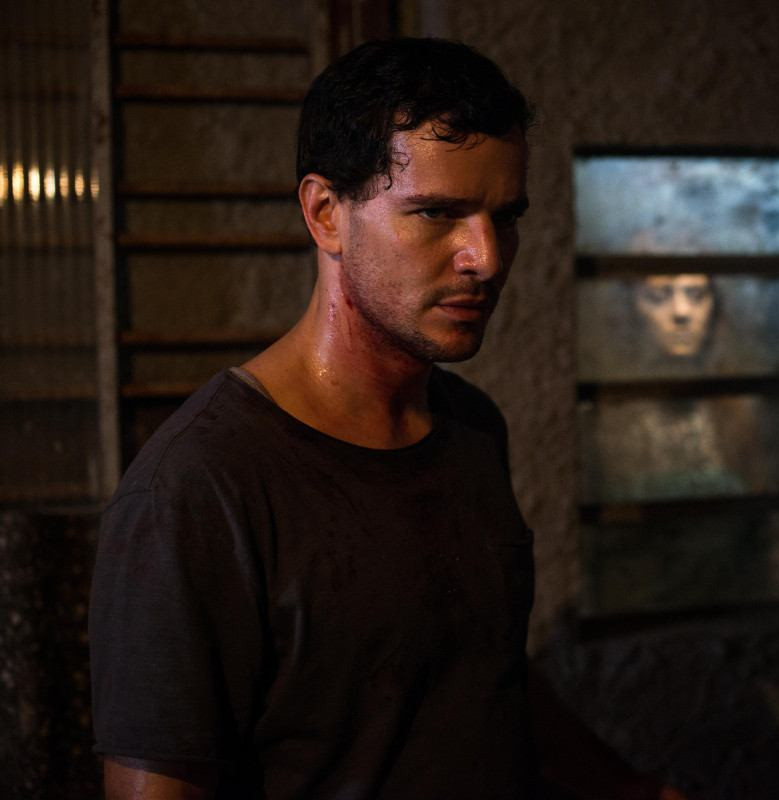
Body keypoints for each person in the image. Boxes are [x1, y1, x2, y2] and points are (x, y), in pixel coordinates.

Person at [89, 37, 684, 800]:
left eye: (505, 217)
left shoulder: (470, 427)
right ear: (326, 215)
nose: (486, 257)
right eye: (436, 213)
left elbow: (477, 676)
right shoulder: (199, 487)